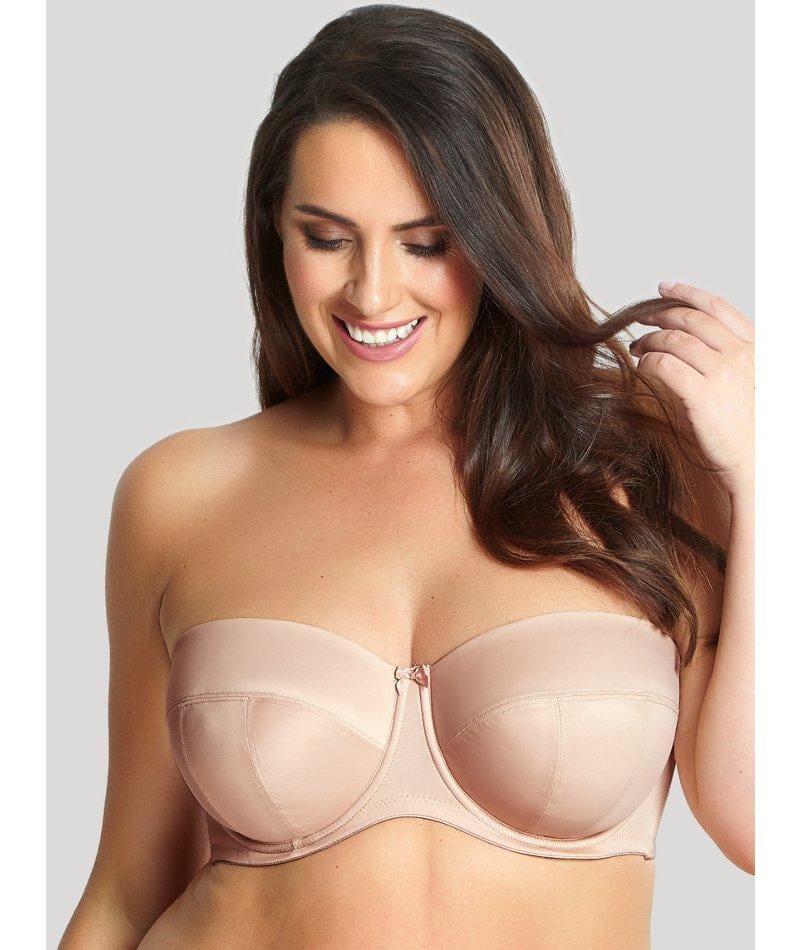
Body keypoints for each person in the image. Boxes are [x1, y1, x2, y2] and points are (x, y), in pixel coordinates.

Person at [59, 5, 754, 948]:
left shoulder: (648, 465)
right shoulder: (179, 494)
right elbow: (124, 892)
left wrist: (766, 483)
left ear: (501, 236)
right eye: (327, 238)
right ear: (273, 232)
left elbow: (758, 824)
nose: (373, 292)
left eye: (427, 241)